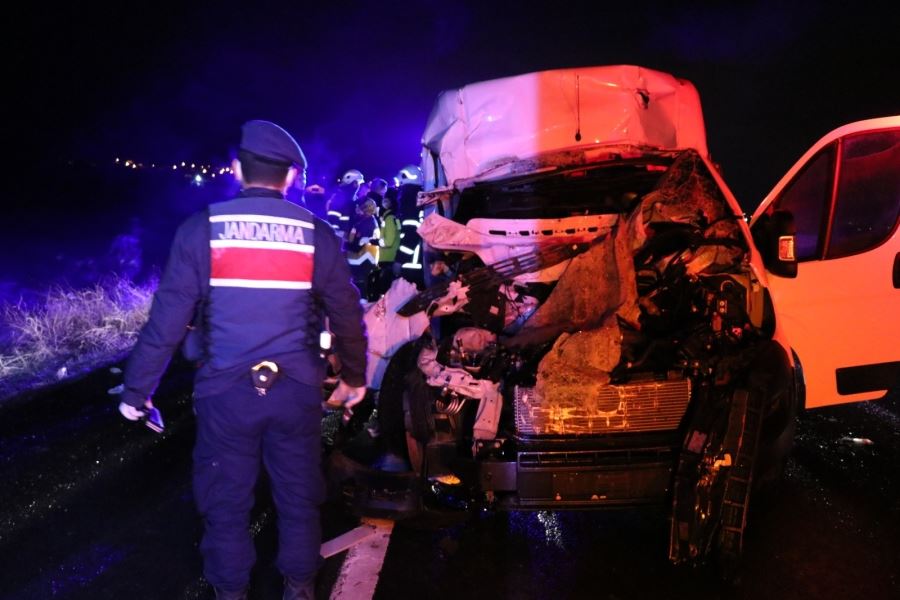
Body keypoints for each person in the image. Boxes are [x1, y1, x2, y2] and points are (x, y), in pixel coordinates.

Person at [117, 120, 368, 600]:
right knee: (298, 499)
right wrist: (354, 376)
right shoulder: (316, 233)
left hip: (226, 392)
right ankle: (299, 588)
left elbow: (167, 321)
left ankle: (231, 593)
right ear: (290, 177)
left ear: (236, 169)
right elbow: (346, 311)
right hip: (296, 392)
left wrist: (136, 392)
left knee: (225, 503)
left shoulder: (201, 230)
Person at [345, 197, 380, 298]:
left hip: (363, 257)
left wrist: (350, 243)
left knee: (361, 284)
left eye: (359, 207)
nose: (357, 209)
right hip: (361, 257)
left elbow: (357, 240)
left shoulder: (368, 222)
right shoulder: (364, 220)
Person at [375, 193, 401, 296]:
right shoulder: (392, 217)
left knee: (385, 290)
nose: (384, 203)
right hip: (390, 256)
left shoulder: (389, 218)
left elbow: (388, 241)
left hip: (387, 256)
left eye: (386, 200)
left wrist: (376, 241)